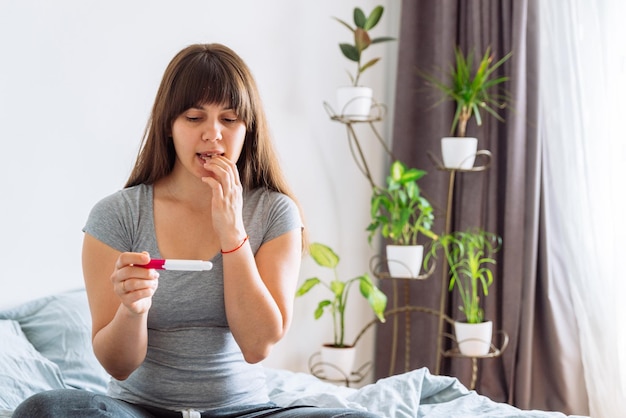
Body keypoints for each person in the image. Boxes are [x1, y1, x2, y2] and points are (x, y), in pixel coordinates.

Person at [13, 43, 380, 418]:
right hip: (137, 410)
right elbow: (117, 365)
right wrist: (132, 309)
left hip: (245, 411)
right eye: (194, 118)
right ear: (168, 127)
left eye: (229, 119)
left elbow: (257, 346)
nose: (213, 134)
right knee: (45, 409)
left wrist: (233, 232)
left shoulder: (274, 211)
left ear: (247, 129)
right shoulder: (117, 215)